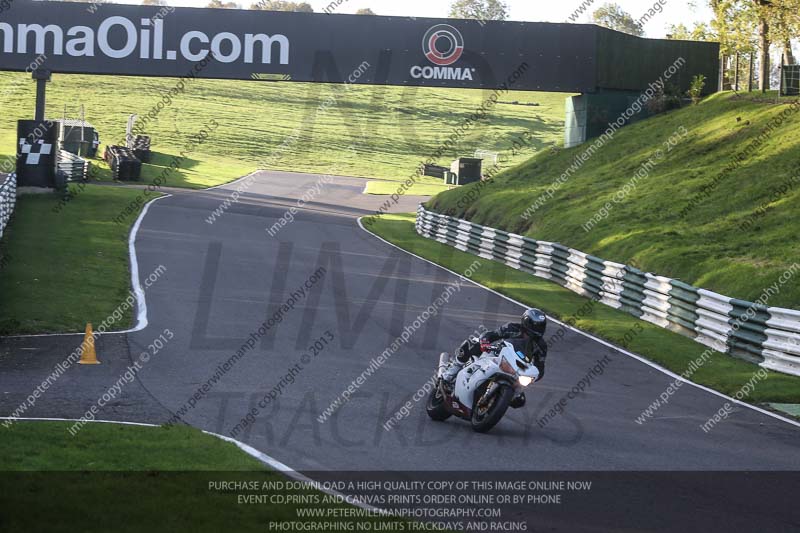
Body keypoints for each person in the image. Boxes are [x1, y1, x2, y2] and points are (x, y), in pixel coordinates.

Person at [442, 309, 549, 390]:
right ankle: (454, 369)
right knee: (473, 342)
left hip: (517, 369)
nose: (537, 329)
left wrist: (532, 377)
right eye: (535, 326)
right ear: (527, 322)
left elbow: (540, 368)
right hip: (498, 355)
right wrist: (485, 341)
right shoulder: (512, 328)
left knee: (519, 400)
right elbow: (492, 334)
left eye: (540, 326)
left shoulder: (541, 346)